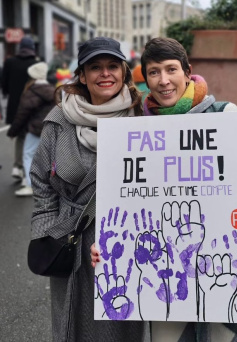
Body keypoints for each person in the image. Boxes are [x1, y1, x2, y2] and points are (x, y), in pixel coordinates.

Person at [91, 37, 237, 342]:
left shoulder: (223, 115)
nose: (163, 81)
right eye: (153, 72)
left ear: (187, 72)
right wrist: (108, 249)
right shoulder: (135, 127)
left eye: (171, 69)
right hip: (163, 279)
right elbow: (124, 201)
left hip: (222, 267)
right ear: (145, 79)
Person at [29, 37, 144, 341]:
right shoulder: (59, 120)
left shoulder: (144, 117)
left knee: (122, 324)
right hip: (74, 239)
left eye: (112, 66)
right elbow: (41, 180)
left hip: (129, 242)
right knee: (75, 327)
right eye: (95, 67)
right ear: (82, 75)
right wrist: (49, 233)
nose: (105, 73)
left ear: (124, 72)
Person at [7, 62, 55, 197]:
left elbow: (21, 114)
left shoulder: (31, 91)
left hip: (35, 129)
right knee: (48, 157)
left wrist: (13, 132)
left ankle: (30, 185)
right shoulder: (52, 90)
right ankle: (49, 185)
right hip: (50, 128)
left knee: (28, 155)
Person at [2, 36, 37, 181]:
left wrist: (9, 93)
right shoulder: (36, 63)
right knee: (31, 137)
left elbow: (3, 84)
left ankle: (17, 166)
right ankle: (26, 169)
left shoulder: (10, 62)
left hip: (15, 105)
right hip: (33, 105)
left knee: (20, 136)